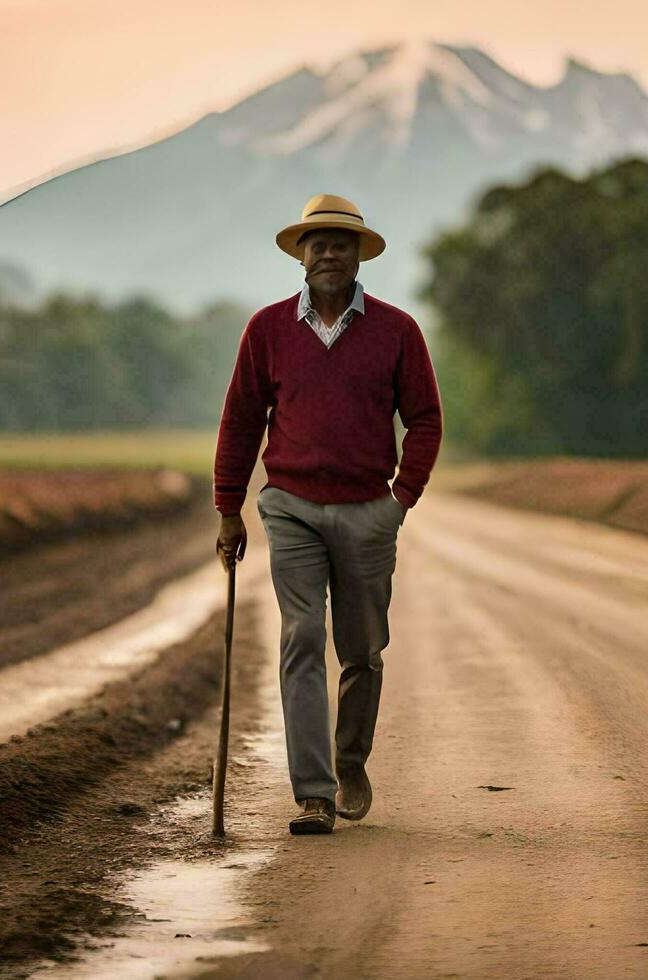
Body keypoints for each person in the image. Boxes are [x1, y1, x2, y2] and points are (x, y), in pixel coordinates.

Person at [213, 193, 443, 835]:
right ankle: (313, 792)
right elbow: (240, 420)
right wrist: (229, 508)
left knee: (363, 651)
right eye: (318, 243)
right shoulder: (267, 329)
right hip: (290, 508)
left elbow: (425, 420)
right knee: (302, 638)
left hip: (369, 508)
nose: (330, 253)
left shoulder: (397, 331)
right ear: (301, 254)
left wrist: (400, 500)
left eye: (342, 243)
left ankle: (350, 761)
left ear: (359, 255)